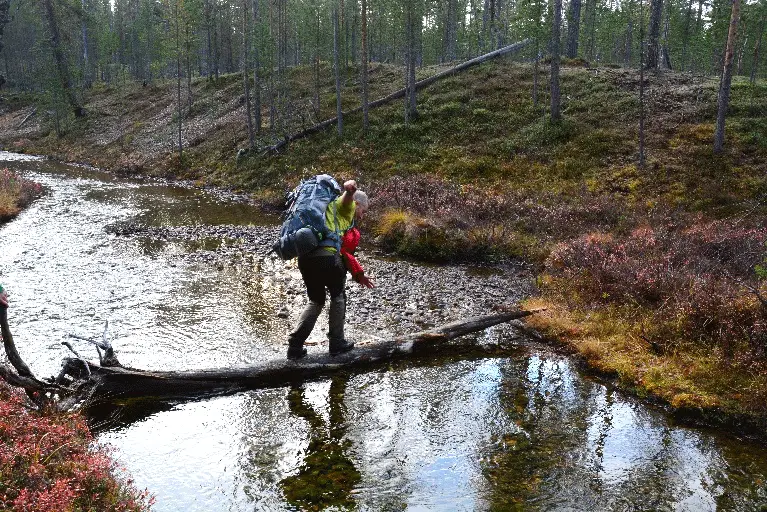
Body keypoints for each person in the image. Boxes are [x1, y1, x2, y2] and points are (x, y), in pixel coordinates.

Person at [287, 180, 374, 360]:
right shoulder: (345, 207)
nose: (362, 216)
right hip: (327, 259)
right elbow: (346, 201)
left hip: (305, 258)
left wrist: (359, 274)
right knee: (338, 296)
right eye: (363, 211)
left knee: (316, 300)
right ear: (357, 204)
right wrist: (350, 190)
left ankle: (295, 346)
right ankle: (337, 343)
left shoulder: (323, 211)